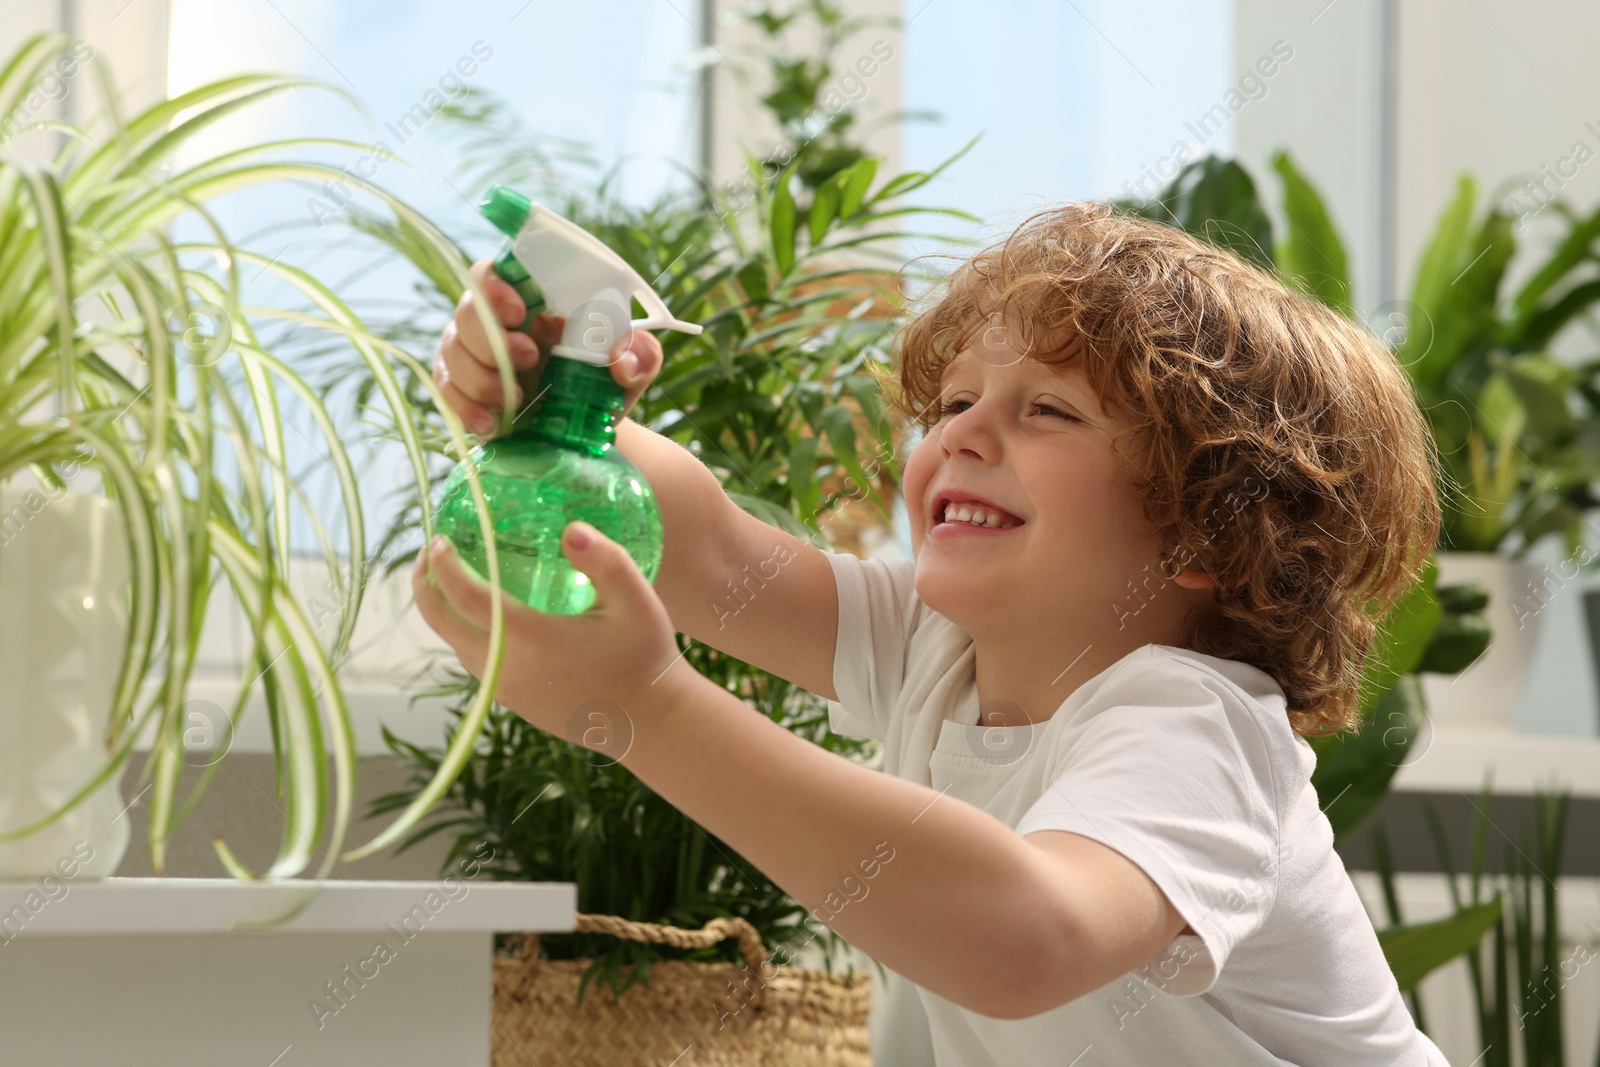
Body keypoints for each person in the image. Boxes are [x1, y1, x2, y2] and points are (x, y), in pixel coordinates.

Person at [418, 199, 1451, 1064]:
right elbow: (710, 556)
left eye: (1047, 410)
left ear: (1209, 528)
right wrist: (557, 409)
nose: (961, 431)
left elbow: (1022, 938)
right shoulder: (935, 646)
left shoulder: (1193, 725)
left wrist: (647, 709)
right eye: (955, 398)